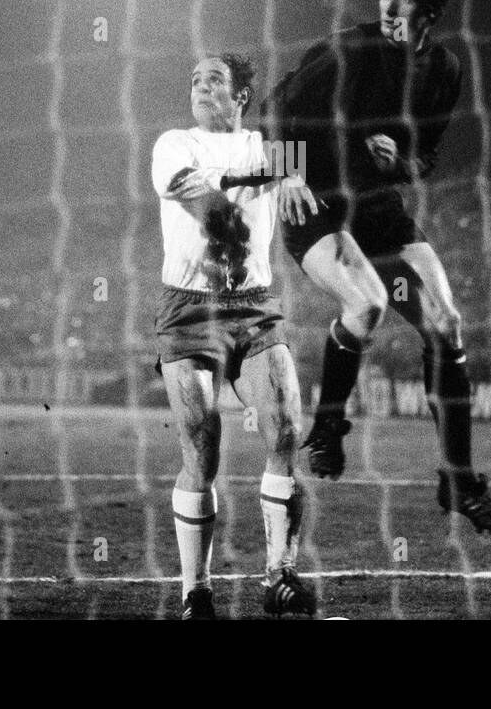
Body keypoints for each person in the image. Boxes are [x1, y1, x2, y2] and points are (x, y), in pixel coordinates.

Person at [260, 0, 491, 534]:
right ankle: (328, 427)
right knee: (367, 304)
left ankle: (458, 480)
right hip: (315, 201)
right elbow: (275, 109)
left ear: (428, 11)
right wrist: (289, 173)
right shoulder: (351, 49)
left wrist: (402, 162)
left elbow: (426, 157)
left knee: (446, 323)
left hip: (376, 210)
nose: (389, 2)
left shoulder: (444, 70)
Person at [152, 53, 316, 619]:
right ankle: (196, 591)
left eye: (214, 79)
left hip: (255, 308)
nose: (200, 86)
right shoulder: (174, 142)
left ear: (241, 95)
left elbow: (298, 167)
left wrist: (293, 176)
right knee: (202, 443)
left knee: (287, 424)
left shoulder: (265, 145)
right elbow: (195, 195)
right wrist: (226, 216)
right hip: (190, 309)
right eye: (194, 78)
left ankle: (281, 575)